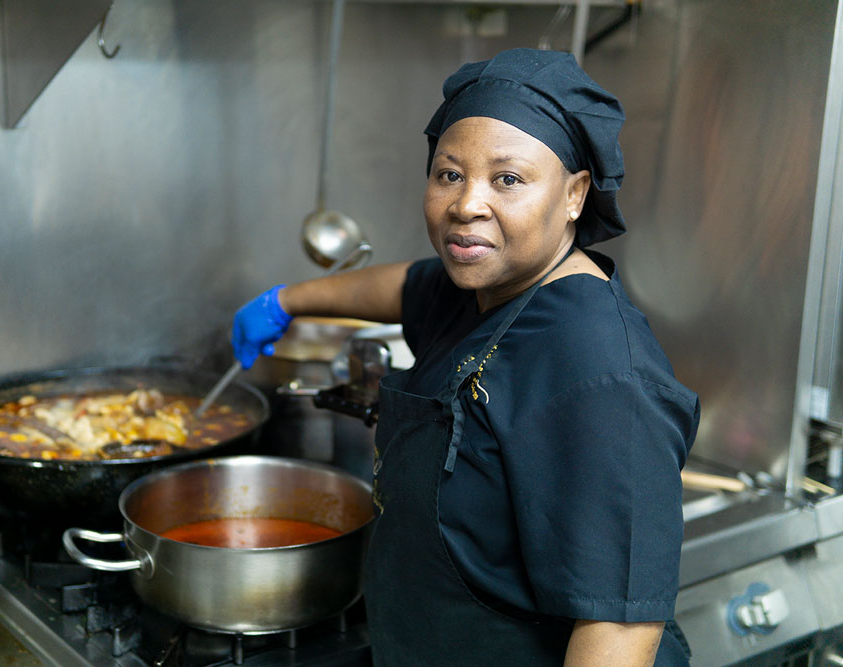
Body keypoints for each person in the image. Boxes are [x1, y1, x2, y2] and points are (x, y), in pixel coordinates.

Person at [232, 49, 699, 666]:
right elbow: (402, 287)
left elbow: (618, 628)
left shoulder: (603, 372)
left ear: (574, 195)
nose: (466, 204)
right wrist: (285, 301)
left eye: (508, 179)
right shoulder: (481, 283)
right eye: (449, 174)